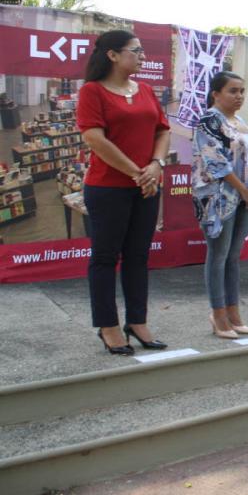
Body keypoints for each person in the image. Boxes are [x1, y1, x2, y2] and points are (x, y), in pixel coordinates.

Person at [77, 30, 170, 355]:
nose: (142, 57)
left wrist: (156, 165)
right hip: (107, 189)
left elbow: (162, 129)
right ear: (113, 55)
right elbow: (95, 139)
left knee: (138, 256)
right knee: (104, 258)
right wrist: (136, 172)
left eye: (143, 51)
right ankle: (108, 326)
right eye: (136, 51)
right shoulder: (92, 91)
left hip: (147, 185)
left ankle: (138, 321)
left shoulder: (145, 90)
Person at [192, 71, 248, 339]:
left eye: (242, 91)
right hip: (217, 197)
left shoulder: (240, 121)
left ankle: (234, 311)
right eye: (233, 91)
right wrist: (243, 189)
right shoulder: (209, 120)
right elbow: (215, 161)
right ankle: (218, 313)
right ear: (216, 94)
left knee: (233, 256)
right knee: (218, 255)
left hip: (244, 196)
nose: (239, 96)